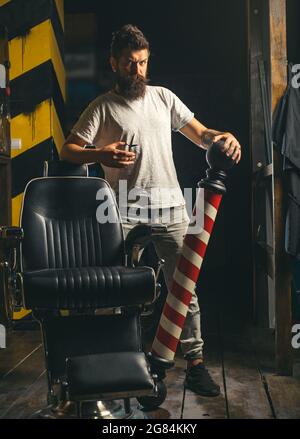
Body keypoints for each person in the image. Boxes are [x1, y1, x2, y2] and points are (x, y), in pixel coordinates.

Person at [60, 24, 241, 397]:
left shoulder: (162, 97)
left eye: (142, 62)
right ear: (114, 63)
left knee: (184, 288)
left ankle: (195, 364)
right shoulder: (102, 107)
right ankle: (109, 363)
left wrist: (223, 136)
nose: (137, 70)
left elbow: (201, 134)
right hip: (118, 209)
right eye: (129, 63)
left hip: (170, 205)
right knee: (107, 287)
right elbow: (69, 150)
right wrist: (100, 155)